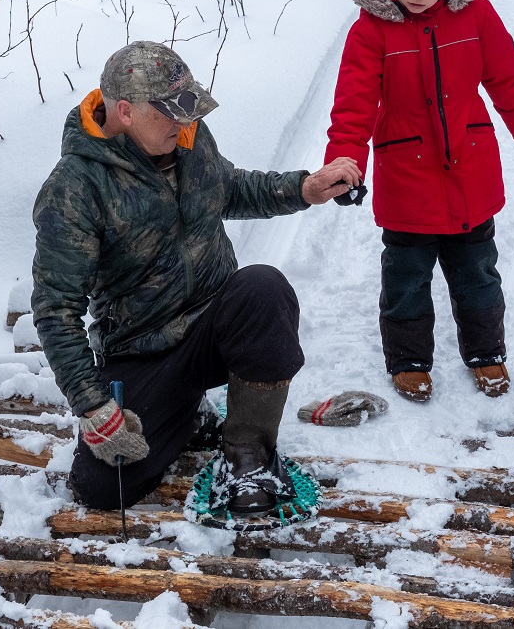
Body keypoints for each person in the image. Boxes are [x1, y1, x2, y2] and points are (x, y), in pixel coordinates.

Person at [31, 40, 360, 515]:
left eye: (189, 111)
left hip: (214, 325)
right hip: (143, 350)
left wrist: (302, 188)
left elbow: (228, 188)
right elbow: (56, 309)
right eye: (171, 113)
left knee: (264, 288)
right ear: (125, 111)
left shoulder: (186, 138)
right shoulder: (75, 188)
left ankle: (248, 455)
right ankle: (188, 417)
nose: (186, 124)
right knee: (104, 488)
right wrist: (94, 406)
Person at [323, 0, 514, 403]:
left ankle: (487, 353)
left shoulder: (475, 15)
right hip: (407, 169)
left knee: (477, 272)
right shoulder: (372, 28)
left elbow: (505, 76)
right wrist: (344, 164)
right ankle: (408, 360)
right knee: (405, 276)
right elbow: (354, 101)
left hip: (470, 167)